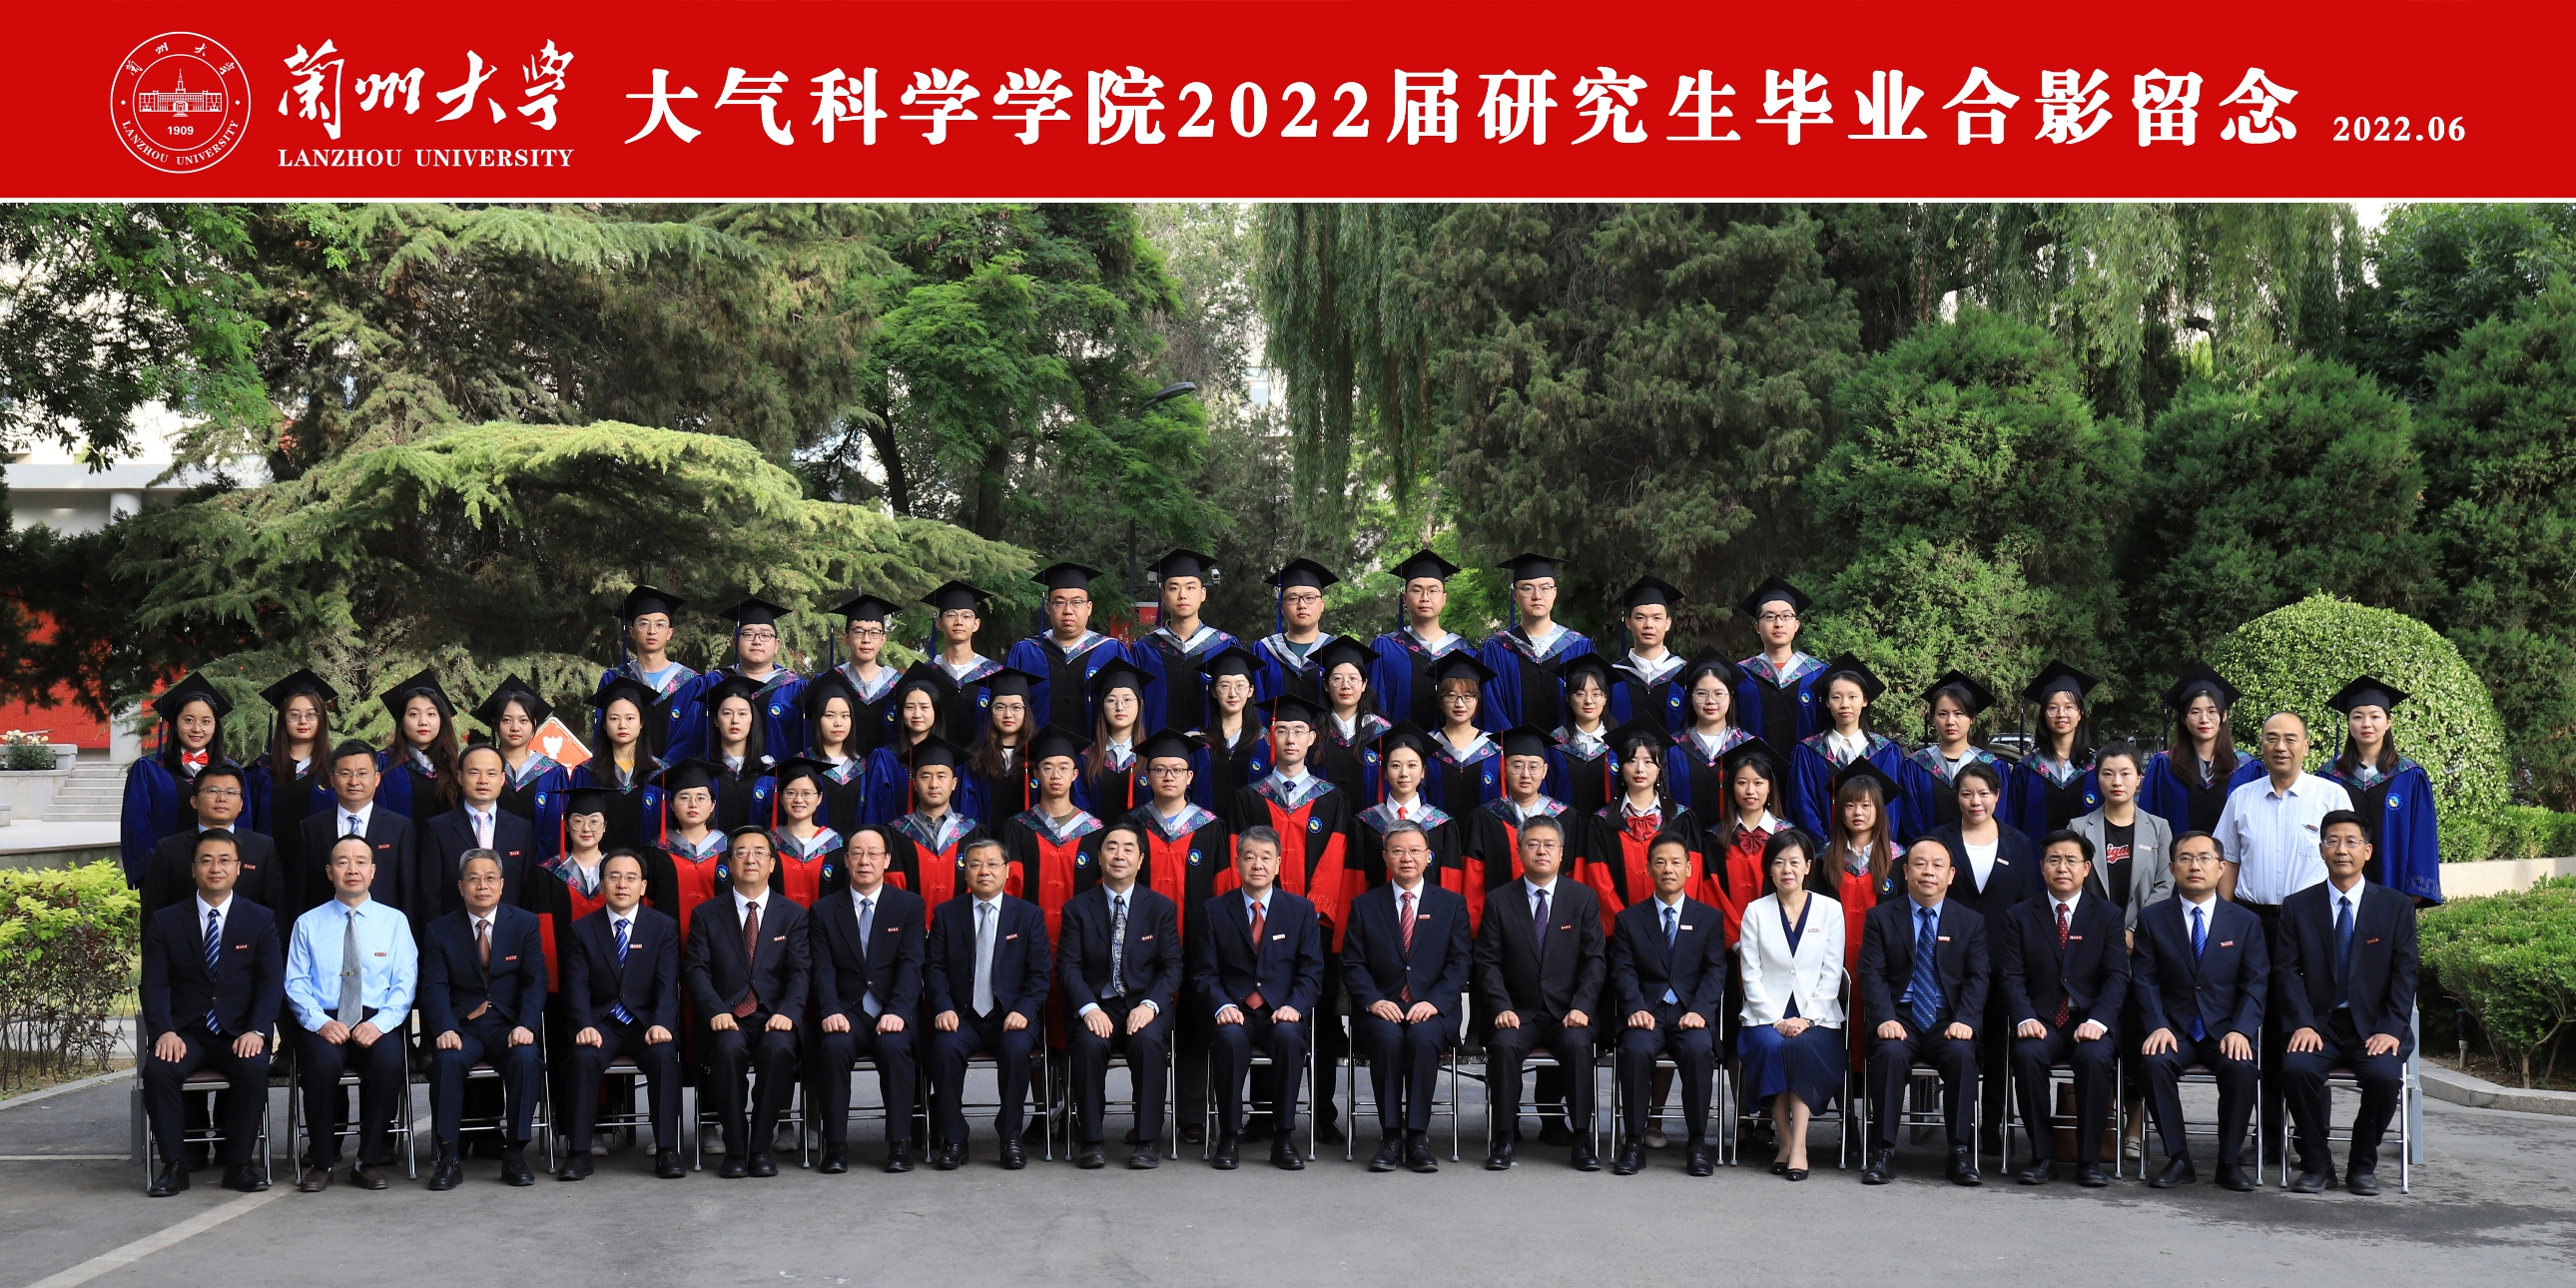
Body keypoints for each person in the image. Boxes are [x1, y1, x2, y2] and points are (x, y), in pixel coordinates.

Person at [2213, 710, 2353, 1161]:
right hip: (2253, 921)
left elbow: (2346, 860)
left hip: (2313, 923)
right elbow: (2228, 863)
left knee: (2309, 1027)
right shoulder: (2242, 797)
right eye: (2272, 738)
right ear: (2262, 746)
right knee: (2265, 1029)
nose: (2281, 746)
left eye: (2291, 738)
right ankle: (2269, 1137)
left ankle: (2311, 1141)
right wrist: (2224, 922)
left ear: (2306, 746)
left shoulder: (2330, 795)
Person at [2276, 810, 2418, 1196]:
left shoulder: (2395, 907)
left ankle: (2362, 1164)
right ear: (2321, 849)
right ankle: (2317, 1165)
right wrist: (2302, 1023)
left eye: (2351, 842)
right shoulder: (2298, 906)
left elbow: (2405, 974)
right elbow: (2287, 972)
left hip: (2373, 1027)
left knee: (2384, 1076)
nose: (2342, 850)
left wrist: (2391, 1029)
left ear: (2367, 851)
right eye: (2333, 841)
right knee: (2296, 1069)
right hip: (2318, 1026)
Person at [139, 829, 285, 1196]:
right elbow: (154, 984)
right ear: (193, 869)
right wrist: (164, 1032)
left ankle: (239, 1165)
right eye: (206, 860)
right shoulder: (166, 921)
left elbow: (270, 981)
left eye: (224, 860)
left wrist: (258, 1030)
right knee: (158, 1071)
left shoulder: (260, 918)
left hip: (239, 1032)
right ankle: (175, 1166)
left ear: (238, 868)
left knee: (253, 1070)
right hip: (185, 1032)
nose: (215, 868)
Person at [285, 835, 419, 1192]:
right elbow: (295, 983)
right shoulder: (307, 923)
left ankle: (368, 1161)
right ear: (330, 871)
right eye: (342, 862)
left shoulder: (395, 922)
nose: (352, 869)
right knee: (322, 1066)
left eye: (360, 862)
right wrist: (320, 1022)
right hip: (324, 1019)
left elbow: (405, 982)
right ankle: (322, 1161)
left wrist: (380, 1024)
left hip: (376, 1019)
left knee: (389, 1063)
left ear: (373, 871)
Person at [2135, 830, 2267, 1191]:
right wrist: (2157, 1025)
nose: (2195, 866)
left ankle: (2228, 1162)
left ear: (2221, 867)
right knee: (2153, 1063)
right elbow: (2144, 979)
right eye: (2186, 858)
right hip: (2174, 1029)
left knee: (2242, 1067)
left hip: (2225, 1030)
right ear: (2171, 867)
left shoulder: (2245, 921)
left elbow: (2256, 983)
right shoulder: (2152, 918)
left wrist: (2241, 1030)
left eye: (2205, 858)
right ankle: (2179, 1159)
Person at [1342, 821, 1475, 1174]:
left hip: (1433, 1009)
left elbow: (1461, 962)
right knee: (1387, 1039)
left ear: (1429, 856)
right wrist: (1373, 1001)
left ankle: (1416, 1137)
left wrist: (1434, 1002)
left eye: (1415, 850)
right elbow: (1352, 963)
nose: (1407, 858)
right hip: (1381, 1008)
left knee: (1422, 1037)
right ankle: (1390, 1137)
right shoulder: (1364, 905)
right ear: (1385, 856)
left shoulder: (1451, 904)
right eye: (1398, 850)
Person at [1997, 831, 2129, 1187]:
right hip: (2042, 1020)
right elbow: (2011, 975)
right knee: (2027, 1056)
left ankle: (2089, 1160)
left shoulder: (2108, 915)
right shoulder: (2020, 915)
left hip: (2090, 1020)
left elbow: (2117, 976)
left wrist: (2099, 1020)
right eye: (2054, 860)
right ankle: (2042, 1157)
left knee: (2094, 1059)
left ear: (2086, 868)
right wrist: (2024, 1017)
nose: (2062, 868)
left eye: (2071, 860)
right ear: (2042, 867)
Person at [1472, 816, 1603, 1172]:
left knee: (1578, 1045)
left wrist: (1582, 1006)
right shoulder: (1499, 900)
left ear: (1561, 853)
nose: (1541, 851)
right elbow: (1487, 962)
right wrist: (1501, 1007)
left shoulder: (1583, 899)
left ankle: (1582, 1140)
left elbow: (1594, 960)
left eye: (1549, 845)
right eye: (1532, 844)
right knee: (1503, 1046)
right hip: (1517, 1012)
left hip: (1567, 1013)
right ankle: (1503, 1137)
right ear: (1519, 852)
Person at [1856, 839, 1989, 1187]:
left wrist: (1966, 1021)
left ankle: (1959, 1152)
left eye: (1937, 865)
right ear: (1905, 871)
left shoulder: (1970, 921)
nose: (1928, 871)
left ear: (1951, 875)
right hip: (1899, 1016)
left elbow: (1978, 978)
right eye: (1919, 864)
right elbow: (1871, 973)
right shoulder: (1881, 917)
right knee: (1889, 1054)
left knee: (1962, 1055)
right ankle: (1883, 1151)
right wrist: (1884, 1018)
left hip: (1948, 1019)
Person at [1194, 827, 1327, 1171]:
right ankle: (1229, 1136)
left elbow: (1312, 971)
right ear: (1237, 863)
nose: (1258, 865)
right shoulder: (1214, 910)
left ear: (1278, 864)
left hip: (1281, 1012)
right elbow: (1204, 972)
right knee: (1228, 1040)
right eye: (1250, 857)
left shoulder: (1300, 910)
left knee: (1288, 1038)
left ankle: (1284, 1138)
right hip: (1234, 1011)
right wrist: (1222, 1005)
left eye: (1266, 857)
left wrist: (1295, 1006)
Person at [684, 827, 811, 1178]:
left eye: (759, 853)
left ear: (772, 864)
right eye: (741, 852)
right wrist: (715, 1010)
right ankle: (736, 1147)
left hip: (773, 1016)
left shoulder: (793, 914)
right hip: (727, 1016)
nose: (750, 859)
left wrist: (788, 1012)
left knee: (779, 1049)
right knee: (726, 1050)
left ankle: (761, 1147)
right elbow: (695, 970)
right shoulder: (706, 914)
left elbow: (800, 972)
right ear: (729, 864)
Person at [418, 850, 548, 1190]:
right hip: (463, 1027)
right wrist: (445, 1027)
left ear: (502, 885)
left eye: (490, 878)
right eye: (473, 879)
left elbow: (535, 981)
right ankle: (449, 1156)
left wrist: (527, 1025)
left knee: (527, 1059)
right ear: (461, 886)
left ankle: (515, 1153)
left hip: (508, 1025)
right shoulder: (439, 930)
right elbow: (434, 985)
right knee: (446, 1062)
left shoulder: (524, 923)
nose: (482, 886)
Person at [1058, 822, 1183, 1168]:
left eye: (1129, 849)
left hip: (1143, 1003)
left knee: (1147, 1042)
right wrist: (1088, 1008)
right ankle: (1091, 1140)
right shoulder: (1077, 909)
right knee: (1088, 1043)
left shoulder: (1160, 908)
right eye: (1111, 847)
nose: (1119, 855)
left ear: (1140, 860)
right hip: (1098, 1004)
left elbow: (1172, 966)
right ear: (1099, 857)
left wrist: (1150, 1005)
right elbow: (1068, 967)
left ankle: (1148, 1140)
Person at [2071, 740, 2173, 1162]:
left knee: (2137, 1035)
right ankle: (2104, 1119)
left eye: (2125, 773)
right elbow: (2073, 885)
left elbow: (2166, 885)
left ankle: (2134, 1121)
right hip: (2094, 950)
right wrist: (2112, 935)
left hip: (2143, 948)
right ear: (2097, 778)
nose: (2117, 781)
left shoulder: (2158, 828)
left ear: (2139, 780)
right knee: (2101, 1032)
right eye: (2108, 773)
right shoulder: (2079, 827)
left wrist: (2132, 930)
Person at [558, 848, 687, 1181]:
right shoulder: (581, 930)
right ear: (602, 884)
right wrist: (584, 1025)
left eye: (631, 878)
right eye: (613, 877)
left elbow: (667, 984)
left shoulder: (663, 927)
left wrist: (662, 1023)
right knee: (583, 1057)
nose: (622, 884)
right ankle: (579, 1152)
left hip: (646, 1023)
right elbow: (576, 986)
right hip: (602, 1024)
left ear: (643, 886)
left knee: (663, 1055)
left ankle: (667, 1150)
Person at [805, 824, 927, 1175]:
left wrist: (898, 1011)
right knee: (834, 1048)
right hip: (847, 1011)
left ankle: (899, 1144)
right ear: (846, 860)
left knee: (894, 1048)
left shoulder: (909, 905)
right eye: (856, 854)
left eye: (873, 854)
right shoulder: (824, 910)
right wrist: (830, 1010)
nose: (864, 861)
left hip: (891, 1010)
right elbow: (822, 969)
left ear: (886, 860)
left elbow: (911, 963)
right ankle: (836, 1145)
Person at [924, 840, 1051, 1169]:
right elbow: (933, 967)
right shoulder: (947, 914)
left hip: (1010, 1015)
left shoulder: (1028, 915)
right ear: (965, 872)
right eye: (975, 864)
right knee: (944, 1049)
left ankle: (1010, 1136)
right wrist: (943, 1006)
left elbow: (1040, 974)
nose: (984, 871)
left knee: (1016, 1050)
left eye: (993, 864)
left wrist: (1023, 1010)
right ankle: (954, 1138)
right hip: (962, 1015)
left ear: (1007, 871)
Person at [1607, 832, 1726, 1176]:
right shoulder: (1630, 919)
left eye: (1675, 862)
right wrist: (1635, 1007)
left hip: (1690, 1013)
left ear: (1689, 869)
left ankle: (1697, 1144)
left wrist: (1700, 1011)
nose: (1668, 869)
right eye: (1660, 862)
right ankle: (1633, 1142)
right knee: (1634, 1050)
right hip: (1647, 1013)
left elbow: (1715, 971)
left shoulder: (1708, 918)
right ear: (1648, 869)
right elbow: (1623, 970)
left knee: (1699, 1051)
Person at [1926, 758, 2031, 1153]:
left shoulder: (2018, 843)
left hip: (2005, 958)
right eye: (1967, 793)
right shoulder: (1939, 841)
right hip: (1951, 959)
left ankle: (1992, 1125)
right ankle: (1961, 1127)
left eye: (1984, 793)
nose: (1976, 801)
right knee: (1960, 1042)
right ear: (1957, 797)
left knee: (1999, 1046)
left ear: (1997, 796)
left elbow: (2028, 903)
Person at [1736, 829, 1846, 1181]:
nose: (1787, 870)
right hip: (1765, 1017)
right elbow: (1750, 974)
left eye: (1795, 862)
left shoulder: (1830, 910)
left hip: (1818, 1018)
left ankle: (1798, 1146)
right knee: (1773, 1047)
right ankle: (1784, 1142)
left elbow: (1832, 973)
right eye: (1779, 862)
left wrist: (1807, 1019)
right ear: (1769, 869)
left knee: (1800, 1047)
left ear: (1808, 867)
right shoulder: (1755, 911)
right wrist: (1775, 1019)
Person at [2316, 677, 2443, 905]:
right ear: (2348, 723)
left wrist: (2414, 892)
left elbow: (2422, 835)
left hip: (2395, 891)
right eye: (2357, 717)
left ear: (2388, 723)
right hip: (2337, 893)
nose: (2366, 724)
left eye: (2375, 716)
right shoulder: (2328, 777)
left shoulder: (2409, 776)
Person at [1578, 721, 1703, 932]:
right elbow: (1600, 882)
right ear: (1621, 768)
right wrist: (1628, 927)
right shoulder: (1601, 822)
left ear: (1659, 769)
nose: (1640, 769)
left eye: (1648, 761)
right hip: (1621, 934)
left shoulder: (1682, 819)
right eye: (1632, 761)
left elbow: (1691, 876)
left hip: (1672, 929)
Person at [123, 673, 231, 887]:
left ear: (215, 727)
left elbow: (242, 823)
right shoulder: (149, 769)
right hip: (164, 874)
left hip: (217, 876)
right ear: (174, 724)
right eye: (188, 720)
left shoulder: (230, 772)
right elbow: (136, 826)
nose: (197, 729)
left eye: (206, 721)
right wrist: (157, 868)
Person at [295, 740, 418, 923]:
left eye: (362, 773)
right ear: (332, 779)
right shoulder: (310, 829)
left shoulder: (400, 828)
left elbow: (408, 892)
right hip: (325, 927)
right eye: (345, 774)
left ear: (377, 778)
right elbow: (300, 893)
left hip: (382, 928)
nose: (354, 781)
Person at [1002, 725, 1106, 941]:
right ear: (1036, 774)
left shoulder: (1094, 831)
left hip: (1081, 941)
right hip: (1028, 939)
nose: (1056, 775)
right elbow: (1010, 886)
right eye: (1047, 768)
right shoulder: (1019, 827)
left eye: (1064, 768)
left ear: (1075, 774)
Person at [1462, 726, 1571, 933]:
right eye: (1517, 766)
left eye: (1533, 766)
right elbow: (1473, 879)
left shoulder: (1566, 817)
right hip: (1499, 927)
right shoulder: (1485, 817)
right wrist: (1478, 929)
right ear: (1503, 768)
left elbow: (1576, 877)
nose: (1525, 775)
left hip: (1556, 927)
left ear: (1545, 771)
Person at [143, 762, 281, 921]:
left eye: (231, 792)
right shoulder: (168, 849)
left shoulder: (263, 848)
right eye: (212, 791)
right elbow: (153, 912)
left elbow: (276, 910)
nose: (221, 798)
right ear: (194, 801)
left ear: (241, 804)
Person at [1789, 655, 1906, 839]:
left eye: (1853, 697)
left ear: (1865, 700)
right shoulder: (1808, 752)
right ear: (1827, 702)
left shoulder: (1885, 752)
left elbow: (1891, 808)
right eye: (1836, 697)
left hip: (1873, 851)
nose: (1845, 704)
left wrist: (1871, 847)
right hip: (1823, 851)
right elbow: (1804, 806)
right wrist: (1825, 847)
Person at [676, 596, 804, 763]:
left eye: (765, 635)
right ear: (735, 642)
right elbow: (692, 738)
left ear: (777, 645)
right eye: (748, 634)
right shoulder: (712, 682)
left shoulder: (795, 687)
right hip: (719, 776)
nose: (757, 641)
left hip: (777, 777)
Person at [2141, 663, 2261, 838]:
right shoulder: (2164, 766)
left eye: (2212, 711)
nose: (2204, 719)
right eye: (2195, 712)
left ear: (2223, 716)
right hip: (2176, 854)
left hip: (2231, 856)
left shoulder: (2248, 768)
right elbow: (2148, 820)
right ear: (2183, 718)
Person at [1008, 562, 1128, 736]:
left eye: (1076, 602)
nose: (1068, 611)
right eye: (1059, 602)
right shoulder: (1026, 652)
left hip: (1097, 751)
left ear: (1089, 608)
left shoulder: (1111, 651)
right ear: (1048, 608)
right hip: (1039, 751)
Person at [1895, 671, 2017, 843]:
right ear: (1933, 719)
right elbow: (1911, 821)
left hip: (1980, 853)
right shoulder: (1915, 765)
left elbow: (2001, 817)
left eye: (1959, 713)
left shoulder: (1993, 766)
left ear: (1972, 718)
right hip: (1929, 855)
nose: (1950, 721)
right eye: (1942, 714)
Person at [420, 743, 536, 923]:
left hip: (509, 930)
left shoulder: (521, 828)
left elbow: (527, 890)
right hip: (455, 930)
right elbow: (430, 894)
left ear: (502, 779)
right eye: (474, 773)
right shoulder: (437, 828)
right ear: (460, 777)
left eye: (491, 773)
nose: (483, 780)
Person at [1130, 549, 1241, 736]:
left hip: (1212, 748)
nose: (1182, 595)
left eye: (1190, 588)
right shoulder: (1145, 649)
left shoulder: (1224, 646)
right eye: (1174, 588)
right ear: (1163, 595)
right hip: (1156, 749)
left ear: (1203, 594)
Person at [1480, 553, 1596, 731]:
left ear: (1554, 593)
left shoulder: (1578, 646)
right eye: (1527, 589)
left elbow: (1591, 703)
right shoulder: (1497, 649)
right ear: (1515, 595)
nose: (1537, 596)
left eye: (1545, 588)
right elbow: (1491, 706)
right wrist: (1513, 744)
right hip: (1514, 747)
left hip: (1569, 747)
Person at [247, 669, 336, 896]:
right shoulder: (260, 772)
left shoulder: (335, 771)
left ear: (322, 719)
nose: (303, 721)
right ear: (282, 720)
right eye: (294, 715)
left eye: (311, 714)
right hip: (269, 872)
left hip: (321, 872)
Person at [885, 735, 990, 915]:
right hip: (911, 927)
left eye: (941, 776)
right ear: (914, 783)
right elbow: (892, 888)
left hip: (961, 927)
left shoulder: (973, 832)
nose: (934, 784)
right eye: (925, 777)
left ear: (954, 783)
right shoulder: (895, 832)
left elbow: (980, 886)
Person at [1370, 548, 1473, 731]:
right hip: (1398, 746)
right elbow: (1373, 707)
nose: (1425, 598)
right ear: (1404, 598)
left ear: (1444, 599)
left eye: (1433, 591)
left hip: (1451, 748)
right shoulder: (1385, 648)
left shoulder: (1465, 651)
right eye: (1417, 590)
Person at [1704, 737, 1787, 944]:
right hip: (1728, 945)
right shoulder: (1714, 839)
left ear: (1770, 787)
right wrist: (1735, 941)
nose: (1750, 791)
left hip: (1777, 942)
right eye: (1742, 783)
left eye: (1758, 783)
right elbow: (1710, 891)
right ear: (1732, 787)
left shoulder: (1787, 838)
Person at [572, 676, 669, 852]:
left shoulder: (661, 774)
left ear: (641, 723)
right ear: (604, 724)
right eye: (614, 718)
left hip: (651, 865)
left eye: (630, 718)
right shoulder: (586, 773)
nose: (622, 725)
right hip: (599, 865)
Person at [596, 585, 697, 753]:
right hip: (625, 768)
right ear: (632, 632)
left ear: (670, 633)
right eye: (643, 623)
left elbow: (693, 736)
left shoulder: (690, 682)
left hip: (676, 769)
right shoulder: (614, 679)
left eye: (660, 625)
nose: (652, 631)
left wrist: (666, 766)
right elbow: (602, 734)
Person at [474, 677, 568, 854]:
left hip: (538, 864)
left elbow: (555, 830)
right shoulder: (481, 768)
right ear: (495, 722)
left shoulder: (551, 772)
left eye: (523, 720)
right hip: (488, 863)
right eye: (507, 720)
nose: (515, 727)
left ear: (534, 724)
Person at [862, 664, 964, 828]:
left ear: (936, 711)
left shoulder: (951, 758)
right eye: (909, 707)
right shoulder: (884, 758)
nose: (917, 714)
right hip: (893, 839)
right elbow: (874, 812)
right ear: (901, 713)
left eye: (924, 707)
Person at [1734, 576, 1825, 752]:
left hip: (1807, 765)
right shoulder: (1741, 675)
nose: (1778, 623)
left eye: (1786, 616)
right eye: (1769, 617)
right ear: (1757, 627)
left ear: (1796, 625)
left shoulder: (1818, 673)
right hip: (1754, 766)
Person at [2015, 662, 2105, 839]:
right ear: (2043, 714)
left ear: (2080, 714)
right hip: (2037, 855)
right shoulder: (2026, 769)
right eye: (2052, 708)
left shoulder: (2098, 766)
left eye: (2069, 707)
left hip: (2088, 855)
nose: (2061, 714)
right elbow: (2014, 824)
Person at [818, 590, 906, 762]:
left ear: (883, 639)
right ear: (846, 638)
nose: (866, 639)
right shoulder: (829, 681)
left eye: (874, 633)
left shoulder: (898, 684)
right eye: (858, 632)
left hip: (888, 771)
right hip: (840, 772)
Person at [1311, 636, 1391, 815]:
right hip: (1324, 823)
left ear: (1364, 685)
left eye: (1353, 679)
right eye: (1337, 679)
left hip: (1371, 824)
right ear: (1326, 685)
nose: (1345, 686)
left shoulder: (1381, 732)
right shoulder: (1313, 733)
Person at [654, 759, 732, 941]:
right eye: (684, 797)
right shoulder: (654, 853)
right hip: (668, 944)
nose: (693, 804)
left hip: (720, 944)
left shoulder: (729, 850)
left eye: (701, 798)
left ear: (713, 805)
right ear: (671, 805)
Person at [1664, 653, 1750, 819]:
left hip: (1734, 834)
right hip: (1683, 833)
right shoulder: (1671, 748)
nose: (1710, 701)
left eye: (1719, 694)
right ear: (1691, 698)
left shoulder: (1747, 745)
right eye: (1701, 693)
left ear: (1731, 697)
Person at [920, 581, 1004, 740]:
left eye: (966, 616)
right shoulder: (926, 673)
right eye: (951, 615)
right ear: (939, 623)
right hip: (935, 754)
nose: (959, 622)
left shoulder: (994, 673)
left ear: (976, 624)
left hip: (983, 754)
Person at [1193, 645, 1273, 813]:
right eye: (1224, 686)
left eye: (1240, 686)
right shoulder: (1196, 740)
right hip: (1206, 826)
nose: (1232, 694)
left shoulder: (1266, 742)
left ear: (1250, 691)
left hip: (1252, 826)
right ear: (1214, 692)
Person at [1250, 559, 1342, 704]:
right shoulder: (1263, 651)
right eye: (1293, 598)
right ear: (1282, 606)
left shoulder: (1337, 651)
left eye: (1310, 598)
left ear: (1322, 605)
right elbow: (1254, 708)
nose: (1302, 605)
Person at [377, 669, 462, 824]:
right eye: (413, 714)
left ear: (441, 719)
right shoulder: (383, 764)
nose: (423, 722)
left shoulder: (457, 762)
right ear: (401, 721)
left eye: (431, 714)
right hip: (401, 839)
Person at [696, 673, 779, 833]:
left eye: (742, 713)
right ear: (716, 720)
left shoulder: (770, 771)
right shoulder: (700, 770)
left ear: (752, 719)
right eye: (727, 713)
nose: (735, 720)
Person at [1607, 576, 1689, 732]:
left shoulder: (1685, 674)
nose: (1648, 625)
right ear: (1628, 622)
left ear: (1668, 623)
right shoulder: (1612, 676)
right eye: (1640, 618)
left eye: (1657, 618)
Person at [795, 670, 873, 835]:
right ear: (817, 720)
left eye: (845, 716)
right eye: (830, 716)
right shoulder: (801, 764)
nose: (838, 723)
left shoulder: (865, 766)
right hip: (816, 850)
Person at [965, 665, 1041, 829]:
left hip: (1028, 841)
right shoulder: (974, 756)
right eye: (999, 707)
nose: (1008, 714)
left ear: (1026, 711)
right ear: (990, 711)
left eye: (1016, 707)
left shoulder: (1040, 755)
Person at [1546, 653, 1620, 819]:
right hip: (1564, 828)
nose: (1589, 701)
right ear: (1568, 698)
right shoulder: (1553, 746)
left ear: (1605, 699)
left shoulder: (1620, 744)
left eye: (1596, 694)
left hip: (1607, 829)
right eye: (1580, 693)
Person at [765, 757, 847, 907]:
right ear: (781, 797)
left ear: (819, 798)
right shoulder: (767, 844)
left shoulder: (836, 845)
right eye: (790, 793)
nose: (798, 800)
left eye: (807, 793)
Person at [1080, 657, 1154, 820]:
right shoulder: (1085, 759)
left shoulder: (1152, 757)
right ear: (1102, 706)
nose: (1119, 707)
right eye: (1111, 700)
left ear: (1140, 704)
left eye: (1127, 700)